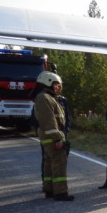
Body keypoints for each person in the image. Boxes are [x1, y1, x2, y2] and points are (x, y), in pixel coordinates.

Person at [34, 70, 74, 201]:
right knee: (58, 162)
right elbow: (49, 121)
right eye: (56, 85)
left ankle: (49, 189)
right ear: (48, 82)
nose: (58, 88)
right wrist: (57, 138)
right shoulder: (44, 98)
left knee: (49, 163)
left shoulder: (47, 97)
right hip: (52, 136)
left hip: (48, 136)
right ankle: (61, 192)